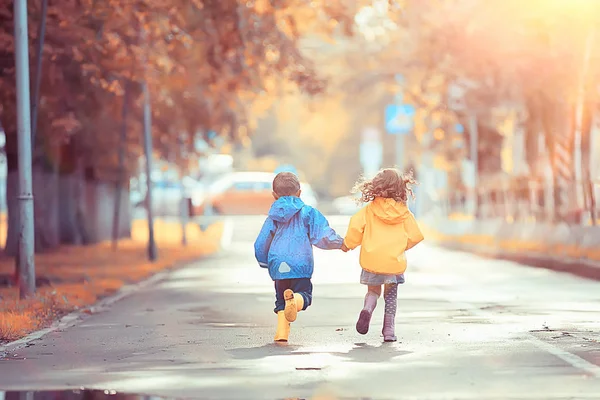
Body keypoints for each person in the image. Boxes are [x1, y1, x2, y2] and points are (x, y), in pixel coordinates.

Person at [254, 172, 344, 343]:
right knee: (304, 295)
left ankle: (282, 333)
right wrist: (341, 243)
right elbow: (322, 234)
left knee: (281, 300)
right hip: (300, 264)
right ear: (300, 193)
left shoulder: (272, 218)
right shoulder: (307, 213)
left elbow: (261, 242)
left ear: (274, 195)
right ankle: (295, 300)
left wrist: (265, 262)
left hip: (279, 265)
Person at [341, 168, 424, 342]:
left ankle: (368, 309)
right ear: (400, 188)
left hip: (373, 260)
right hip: (393, 262)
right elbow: (416, 236)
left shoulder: (369, 209)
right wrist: (401, 247)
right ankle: (389, 331)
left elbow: (355, 227)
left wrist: (348, 244)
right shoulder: (404, 212)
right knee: (391, 296)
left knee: (373, 290)